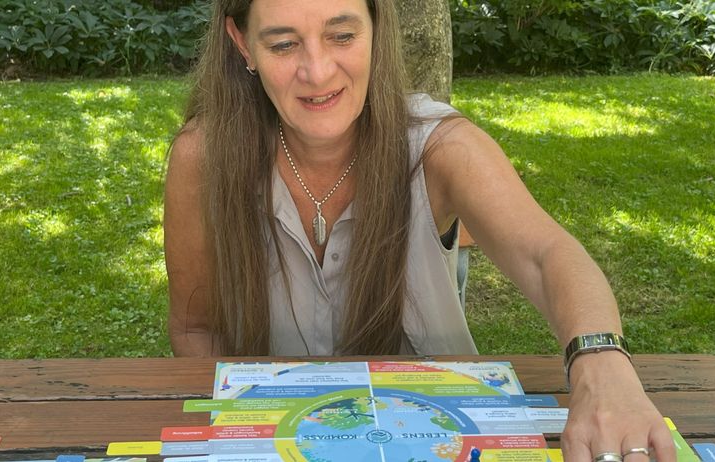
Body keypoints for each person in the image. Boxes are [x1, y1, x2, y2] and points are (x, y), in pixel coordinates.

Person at [163, 1, 676, 461]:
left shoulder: (440, 146)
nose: (317, 71)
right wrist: (238, 434)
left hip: (445, 437)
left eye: (342, 36)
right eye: (282, 44)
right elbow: (196, 329)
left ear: (376, 29)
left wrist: (601, 367)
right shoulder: (203, 158)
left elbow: (547, 254)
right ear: (242, 44)